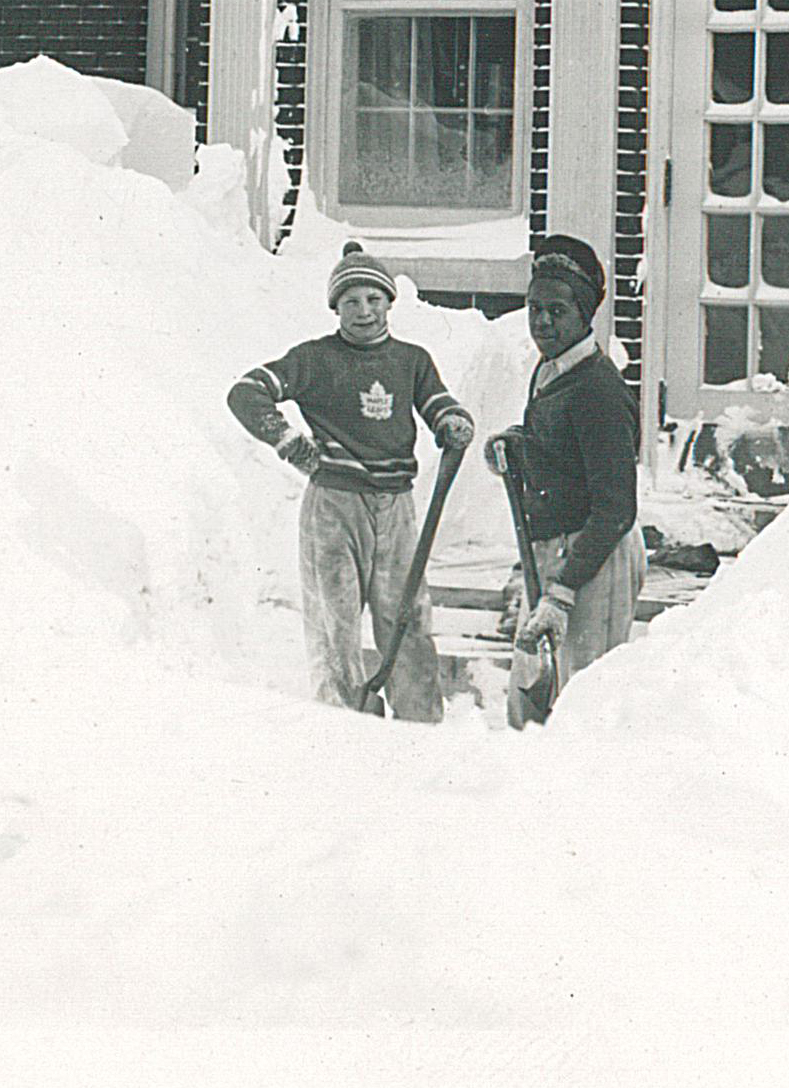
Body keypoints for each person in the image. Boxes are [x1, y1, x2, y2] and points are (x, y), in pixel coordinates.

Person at [226, 243, 475, 722]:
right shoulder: (315, 359)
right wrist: (287, 441)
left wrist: (451, 422)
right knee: (334, 622)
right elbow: (245, 392)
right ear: (336, 307)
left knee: (407, 620)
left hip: (395, 507)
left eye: (374, 299)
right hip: (335, 507)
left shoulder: (411, 360)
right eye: (352, 301)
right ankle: (342, 723)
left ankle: (419, 725)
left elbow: (438, 402)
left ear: (388, 302)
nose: (364, 311)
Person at [486, 234, 643, 716]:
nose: (543, 321)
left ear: (584, 313)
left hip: (593, 562)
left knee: (578, 706)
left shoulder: (598, 388)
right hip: (556, 555)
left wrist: (562, 592)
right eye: (535, 308)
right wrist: (517, 445)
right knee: (533, 699)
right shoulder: (551, 369)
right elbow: (564, 448)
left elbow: (615, 507)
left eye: (557, 310)